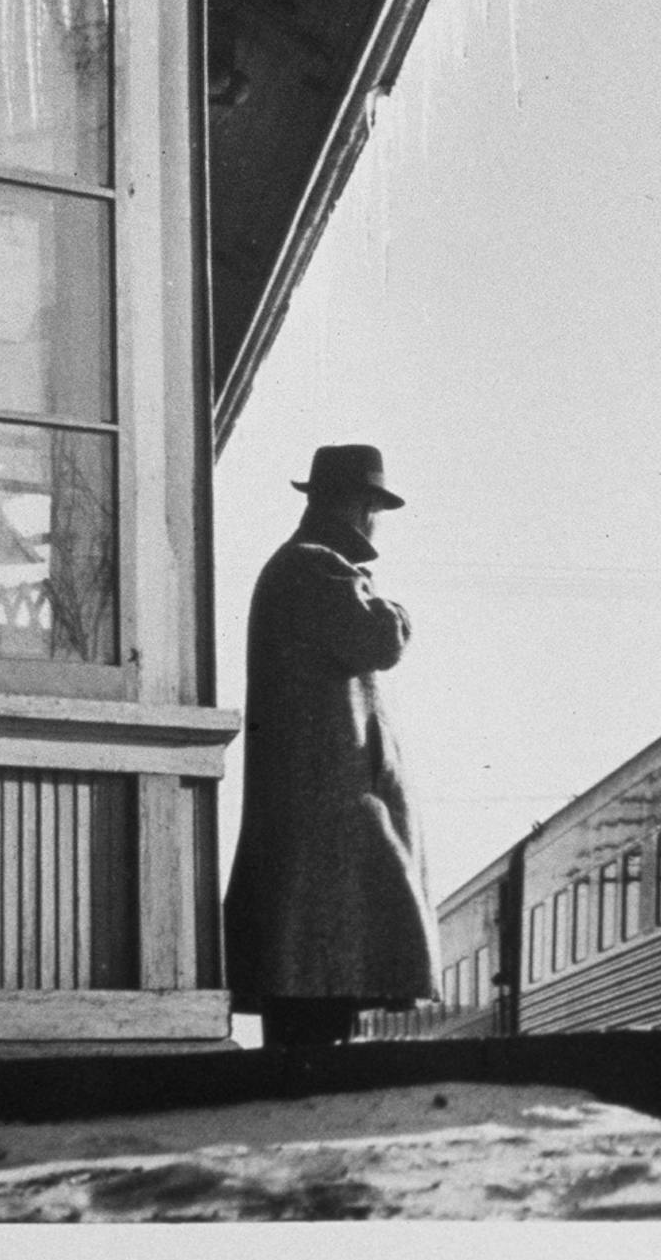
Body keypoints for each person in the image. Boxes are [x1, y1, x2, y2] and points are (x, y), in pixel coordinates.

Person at [223, 444, 439, 1047]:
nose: (376, 522)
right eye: (374, 506)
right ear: (355, 506)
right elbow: (380, 640)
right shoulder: (314, 566)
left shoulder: (303, 566)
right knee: (320, 973)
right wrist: (397, 609)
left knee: (322, 972)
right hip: (329, 816)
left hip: (320, 815)